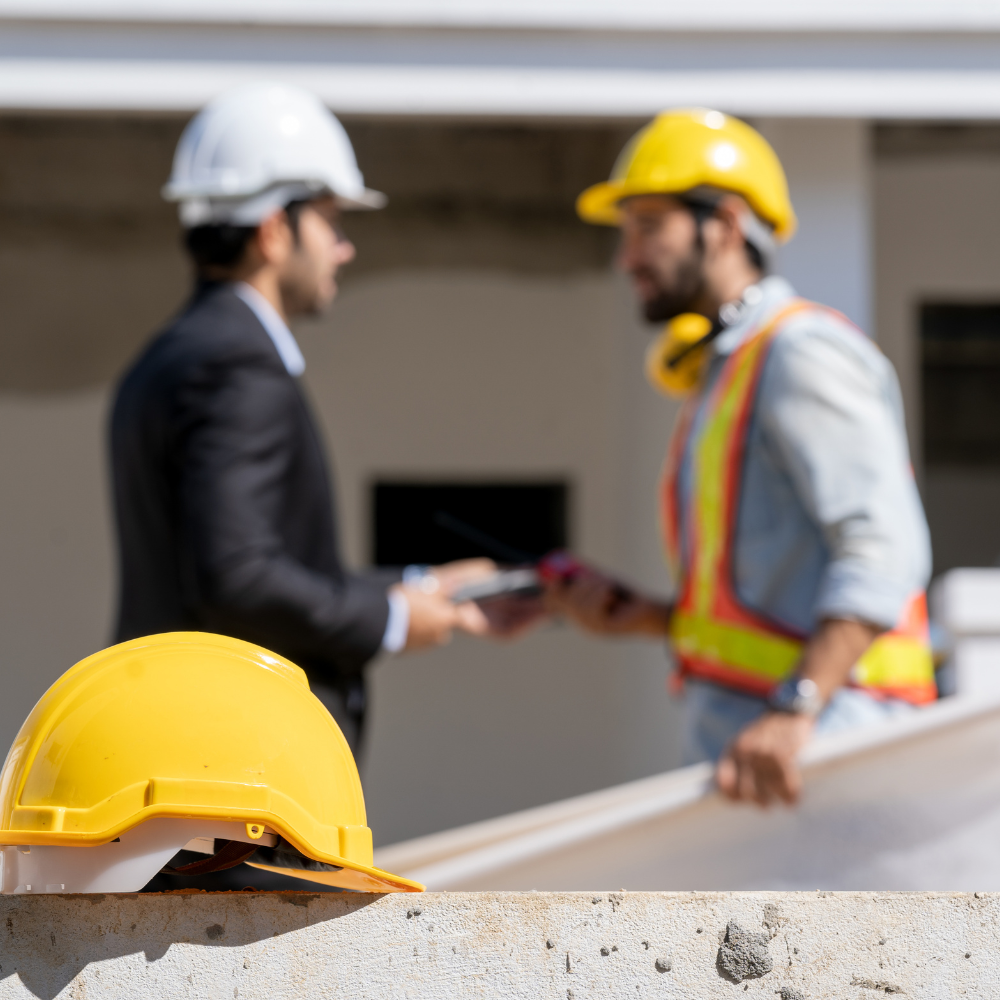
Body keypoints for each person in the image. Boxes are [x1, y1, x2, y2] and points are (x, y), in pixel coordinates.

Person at [547, 109, 935, 806]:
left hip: (830, 757)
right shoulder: (726, 370)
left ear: (724, 224)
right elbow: (774, 598)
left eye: (648, 227)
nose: (626, 256)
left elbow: (884, 548)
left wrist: (796, 707)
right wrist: (655, 618)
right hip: (777, 771)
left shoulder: (799, 352)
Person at [110, 83, 492, 760]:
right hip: (237, 772)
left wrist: (417, 585)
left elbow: (250, 563)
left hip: (194, 754)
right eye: (331, 220)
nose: (343, 247)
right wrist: (396, 619)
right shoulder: (235, 366)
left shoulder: (177, 353)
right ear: (273, 228)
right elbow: (241, 578)